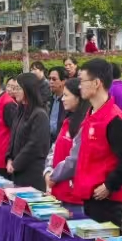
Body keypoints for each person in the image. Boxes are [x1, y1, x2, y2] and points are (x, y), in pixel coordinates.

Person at [73, 58, 122, 231]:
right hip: (88, 196)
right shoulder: (91, 114)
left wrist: (109, 185)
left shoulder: (114, 119)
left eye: (82, 81)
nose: (79, 86)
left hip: (106, 201)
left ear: (97, 83)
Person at [44, 78, 89, 208]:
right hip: (57, 191)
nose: (63, 99)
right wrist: (48, 171)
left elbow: (74, 160)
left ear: (78, 97)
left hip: (74, 196)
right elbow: (54, 149)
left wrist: (54, 176)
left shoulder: (85, 124)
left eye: (66, 95)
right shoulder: (67, 121)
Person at [6, 73, 50, 190]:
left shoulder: (39, 114)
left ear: (28, 89)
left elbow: (35, 144)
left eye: (18, 88)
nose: (15, 92)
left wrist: (16, 163)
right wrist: (9, 158)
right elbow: (13, 136)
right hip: (18, 170)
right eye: (14, 88)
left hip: (32, 172)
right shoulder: (20, 110)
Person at [46, 67, 68, 142]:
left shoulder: (68, 102)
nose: (51, 82)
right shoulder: (48, 100)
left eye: (54, 79)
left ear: (63, 81)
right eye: (49, 79)